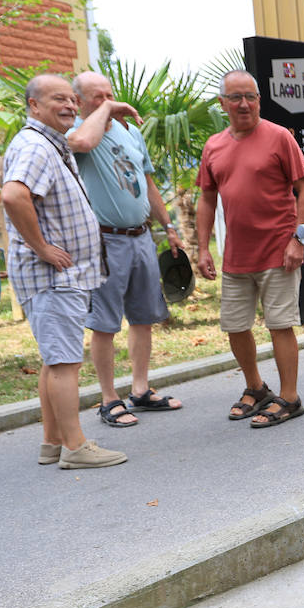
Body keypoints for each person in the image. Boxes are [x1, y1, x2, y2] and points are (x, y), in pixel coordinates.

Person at [0, 74, 126, 469]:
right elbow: (13, 195)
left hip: (61, 277)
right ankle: (75, 447)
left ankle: (52, 442)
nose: (71, 105)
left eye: (73, 99)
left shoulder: (50, 143)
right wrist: (42, 248)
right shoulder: (37, 146)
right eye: (59, 99)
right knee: (64, 362)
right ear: (34, 105)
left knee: (55, 360)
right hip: (55, 277)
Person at [195, 70, 304, 426]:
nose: (244, 104)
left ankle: (290, 398)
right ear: (222, 103)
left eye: (251, 96)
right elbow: (206, 199)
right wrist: (203, 249)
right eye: (235, 97)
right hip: (236, 255)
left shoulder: (279, 137)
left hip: (279, 250)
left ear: (259, 100)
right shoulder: (214, 145)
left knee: (280, 325)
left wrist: (298, 239)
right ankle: (256, 388)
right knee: (235, 326)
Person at [68, 71, 185, 428]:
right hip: (106, 239)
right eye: (96, 97)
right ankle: (108, 398)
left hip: (141, 236)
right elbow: (83, 143)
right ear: (79, 102)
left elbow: (147, 181)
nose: (107, 102)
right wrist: (107, 110)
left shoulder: (131, 132)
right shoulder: (75, 129)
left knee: (144, 317)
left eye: (109, 95)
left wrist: (168, 226)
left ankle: (140, 389)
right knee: (104, 323)